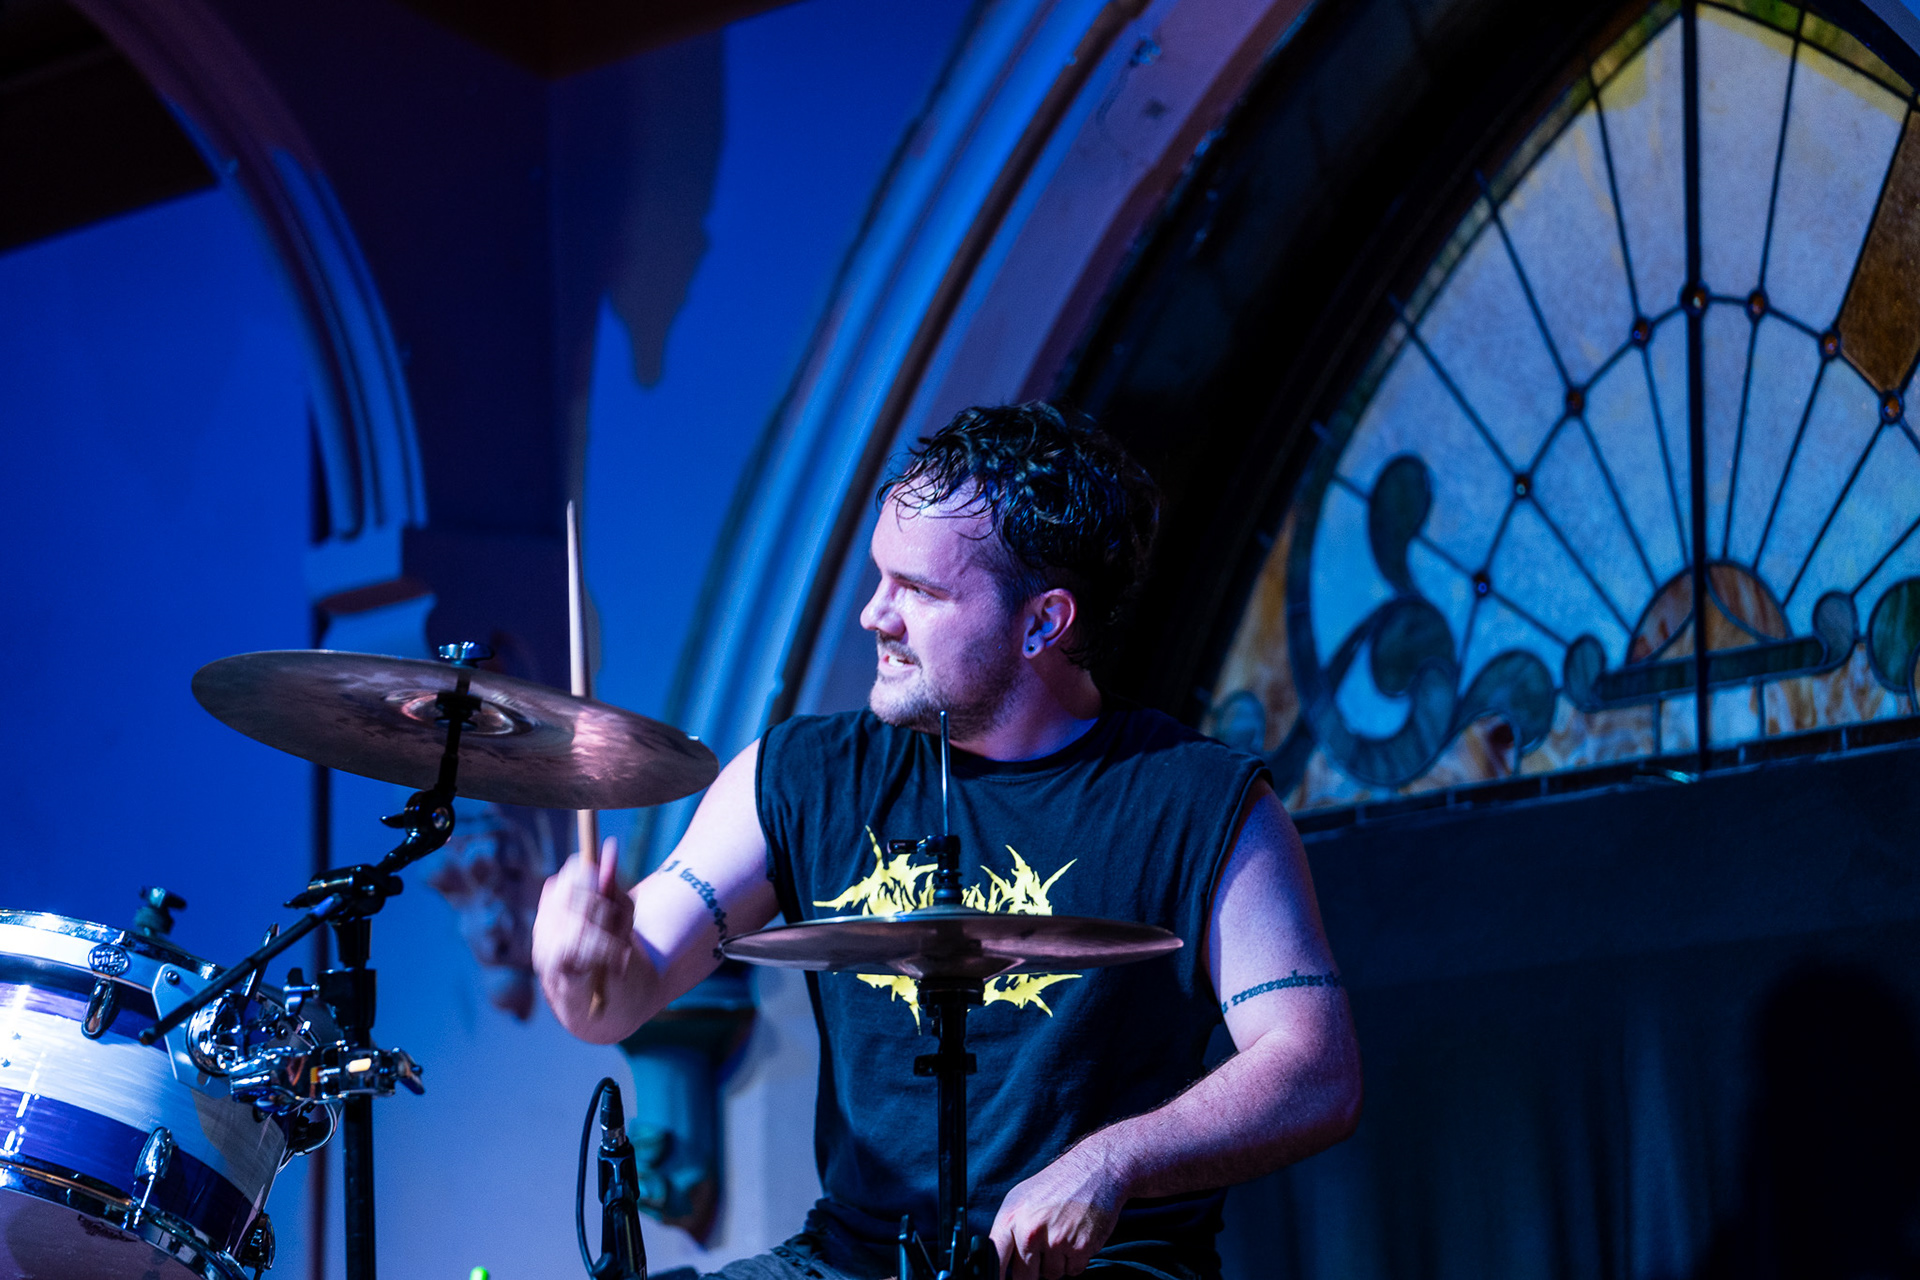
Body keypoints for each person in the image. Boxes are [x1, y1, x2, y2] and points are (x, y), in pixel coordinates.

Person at [532, 403, 1362, 1280]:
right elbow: (618, 999)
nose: (873, 615)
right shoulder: (800, 774)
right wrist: (585, 970)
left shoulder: (1199, 801)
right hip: (854, 1260)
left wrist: (1111, 1162)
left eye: (919, 592)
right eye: (879, 579)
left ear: (1043, 622)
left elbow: (1315, 1067)